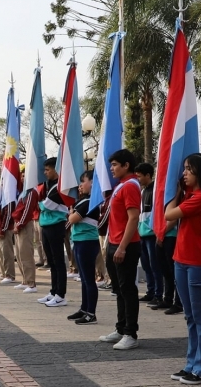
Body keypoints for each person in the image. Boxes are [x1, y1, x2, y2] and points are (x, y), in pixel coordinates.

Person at [164, 153, 201, 384]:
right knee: (190, 316)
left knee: (200, 316)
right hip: (183, 260)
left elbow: (168, 214)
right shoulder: (191, 195)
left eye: (189, 169)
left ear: (200, 172)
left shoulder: (200, 197)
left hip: (199, 262)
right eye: (184, 168)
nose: (184, 173)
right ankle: (192, 364)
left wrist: (174, 190)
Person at [97, 149, 143, 351]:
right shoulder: (120, 185)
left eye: (115, 164)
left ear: (126, 166)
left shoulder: (131, 185)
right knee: (119, 290)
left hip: (126, 245)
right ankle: (121, 327)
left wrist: (122, 247)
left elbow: (133, 218)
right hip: (114, 243)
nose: (112, 168)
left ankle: (130, 333)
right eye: (111, 164)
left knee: (128, 289)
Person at [68, 170, 102, 325]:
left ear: (92, 183)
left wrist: (71, 213)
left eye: (83, 181)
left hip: (87, 243)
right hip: (80, 241)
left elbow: (73, 218)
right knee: (83, 278)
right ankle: (84, 308)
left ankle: (91, 313)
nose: (80, 185)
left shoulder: (89, 201)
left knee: (89, 279)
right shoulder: (83, 201)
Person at [38, 158, 71, 308]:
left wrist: (40, 204)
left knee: (58, 261)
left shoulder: (59, 187)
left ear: (56, 170)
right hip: (46, 225)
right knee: (51, 260)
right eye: (44, 170)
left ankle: (60, 295)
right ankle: (53, 291)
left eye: (48, 170)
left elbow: (46, 206)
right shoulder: (48, 185)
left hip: (56, 225)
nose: (45, 173)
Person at [136, 163, 162, 305]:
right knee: (146, 265)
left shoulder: (155, 191)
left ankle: (158, 294)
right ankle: (150, 291)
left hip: (152, 235)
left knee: (154, 265)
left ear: (148, 175)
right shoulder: (142, 191)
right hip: (142, 234)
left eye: (139, 176)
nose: (138, 179)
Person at [12, 167, 40, 292]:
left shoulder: (31, 192)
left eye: (25, 176)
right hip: (18, 223)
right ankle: (24, 279)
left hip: (25, 225)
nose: (22, 178)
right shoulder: (23, 192)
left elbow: (28, 211)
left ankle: (31, 283)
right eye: (22, 176)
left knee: (26, 254)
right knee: (19, 254)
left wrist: (20, 224)